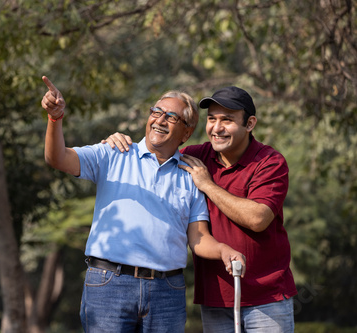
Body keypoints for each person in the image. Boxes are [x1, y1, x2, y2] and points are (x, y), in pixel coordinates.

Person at [41, 76, 246, 333]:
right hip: (109, 286)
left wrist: (224, 250)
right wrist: (55, 118)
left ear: (186, 132)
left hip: (167, 292)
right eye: (156, 112)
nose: (159, 120)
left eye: (171, 117)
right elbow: (57, 157)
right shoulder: (113, 152)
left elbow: (198, 238)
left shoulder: (192, 175)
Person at [105, 86, 297, 332]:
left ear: (250, 123)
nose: (216, 128)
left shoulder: (269, 161)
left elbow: (258, 218)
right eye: (212, 119)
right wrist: (118, 142)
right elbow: (153, 155)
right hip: (215, 297)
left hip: (267, 298)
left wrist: (207, 185)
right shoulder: (193, 156)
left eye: (227, 120)